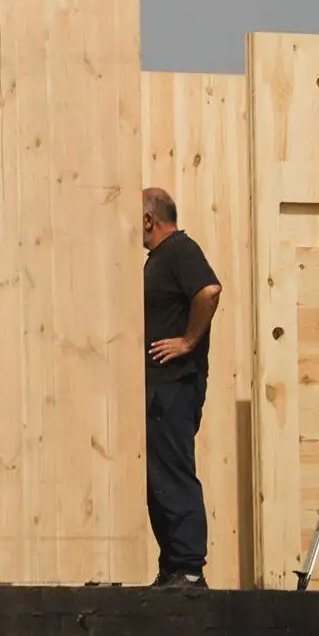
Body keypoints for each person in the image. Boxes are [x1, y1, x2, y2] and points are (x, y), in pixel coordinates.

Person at [141, 186, 222, 589]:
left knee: (173, 473)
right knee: (157, 480)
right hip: (158, 389)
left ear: (148, 219)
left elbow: (209, 290)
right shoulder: (158, 258)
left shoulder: (179, 249)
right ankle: (173, 568)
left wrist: (188, 342)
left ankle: (189, 569)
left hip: (174, 386)